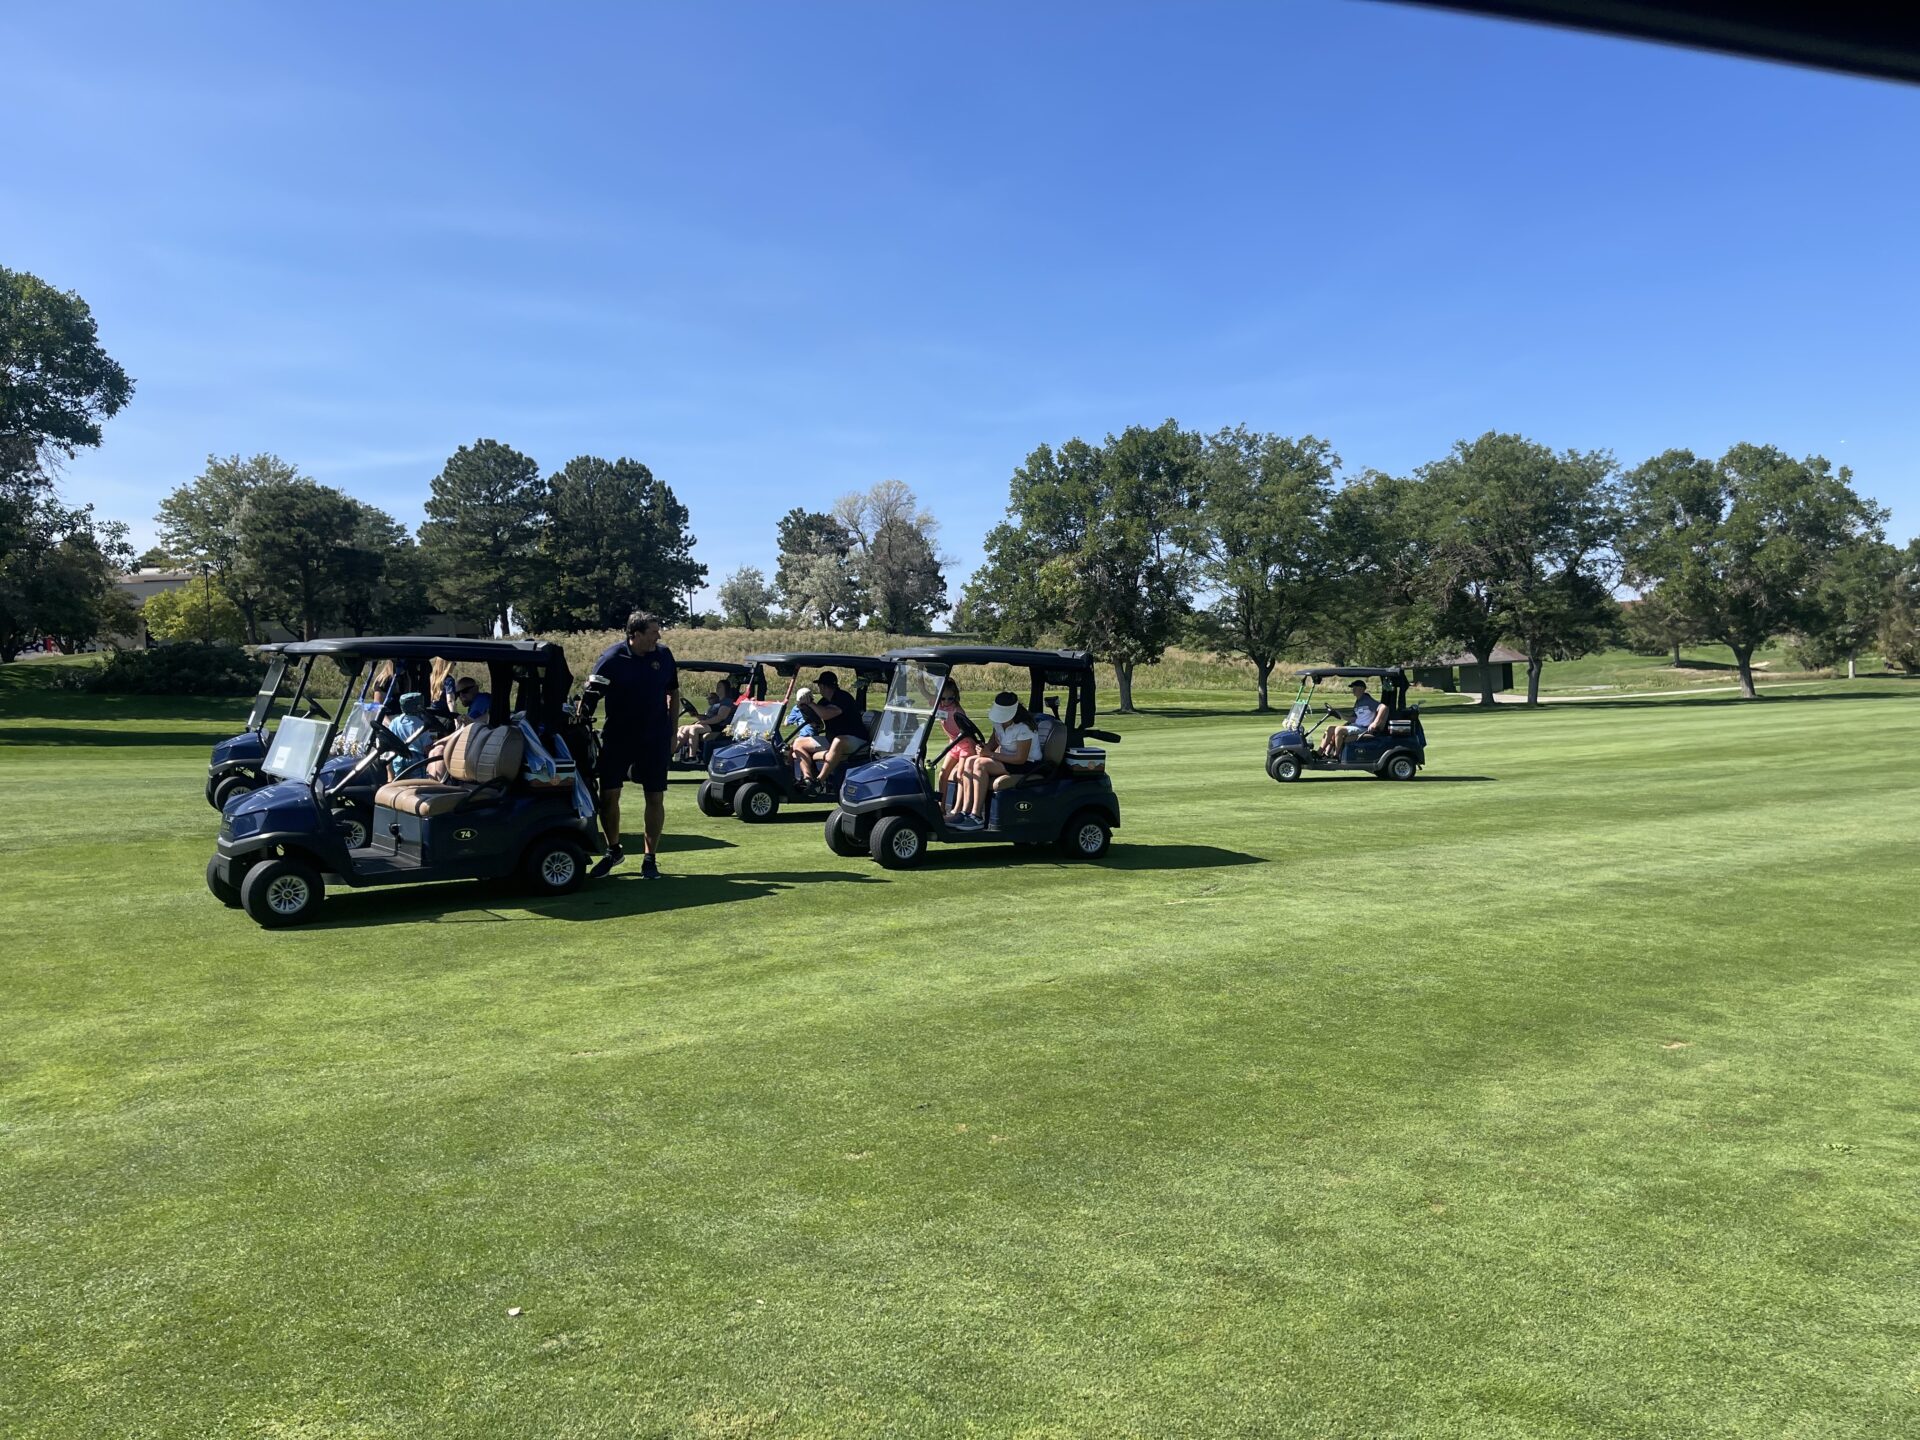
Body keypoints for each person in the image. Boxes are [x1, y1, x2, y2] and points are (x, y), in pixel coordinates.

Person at [589, 611, 678, 878]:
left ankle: (650, 858)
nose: (658, 636)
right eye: (653, 632)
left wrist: (673, 733)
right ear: (635, 634)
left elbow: (673, 692)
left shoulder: (663, 656)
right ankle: (613, 850)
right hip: (618, 737)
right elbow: (591, 695)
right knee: (609, 795)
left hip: (655, 737)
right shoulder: (611, 659)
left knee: (654, 797)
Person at [952, 691, 1041, 828]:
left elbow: (1020, 759)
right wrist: (983, 750)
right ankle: (965, 812)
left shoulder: (1024, 728)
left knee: (981, 764)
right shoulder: (998, 723)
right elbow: (993, 743)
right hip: (1006, 759)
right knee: (970, 761)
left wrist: (990, 754)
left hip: (1027, 764)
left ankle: (977, 816)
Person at [790, 670, 869, 792]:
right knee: (798, 743)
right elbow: (819, 726)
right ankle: (808, 779)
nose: (819, 689)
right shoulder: (823, 701)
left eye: (819, 686)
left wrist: (811, 703)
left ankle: (819, 781)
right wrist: (804, 709)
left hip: (855, 739)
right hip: (832, 740)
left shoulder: (843, 697)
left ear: (822, 686)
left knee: (838, 741)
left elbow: (826, 714)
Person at [933, 678, 978, 816]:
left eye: (950, 698)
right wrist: (922, 679)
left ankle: (958, 809)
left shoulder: (957, 711)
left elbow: (967, 732)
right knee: (943, 774)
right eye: (943, 698)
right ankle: (941, 807)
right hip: (953, 745)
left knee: (960, 775)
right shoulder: (940, 707)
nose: (946, 701)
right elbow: (926, 694)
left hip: (966, 745)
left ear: (955, 696)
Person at [674, 678, 737, 762]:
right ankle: (672, 752)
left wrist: (704, 722)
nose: (717, 689)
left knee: (694, 729)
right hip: (712, 724)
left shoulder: (727, 701)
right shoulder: (719, 702)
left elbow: (720, 717)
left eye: (719, 687)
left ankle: (692, 757)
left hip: (721, 726)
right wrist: (697, 716)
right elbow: (709, 717)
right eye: (717, 686)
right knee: (683, 728)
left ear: (726, 689)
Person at [1321, 678, 1386, 758]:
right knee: (1330, 728)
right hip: (1356, 726)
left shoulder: (1367, 700)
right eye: (1353, 688)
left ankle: (1336, 756)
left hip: (1364, 728)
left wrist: (1375, 723)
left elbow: (1383, 707)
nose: (1353, 690)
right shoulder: (1358, 702)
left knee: (1339, 730)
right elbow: (1353, 719)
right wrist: (1339, 714)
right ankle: (1321, 753)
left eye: (1355, 687)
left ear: (1362, 689)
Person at [387, 691, 434, 779]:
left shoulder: (395, 722)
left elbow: (390, 740)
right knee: (417, 783)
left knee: (400, 781)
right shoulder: (421, 724)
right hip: (415, 759)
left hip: (398, 757)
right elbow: (427, 748)